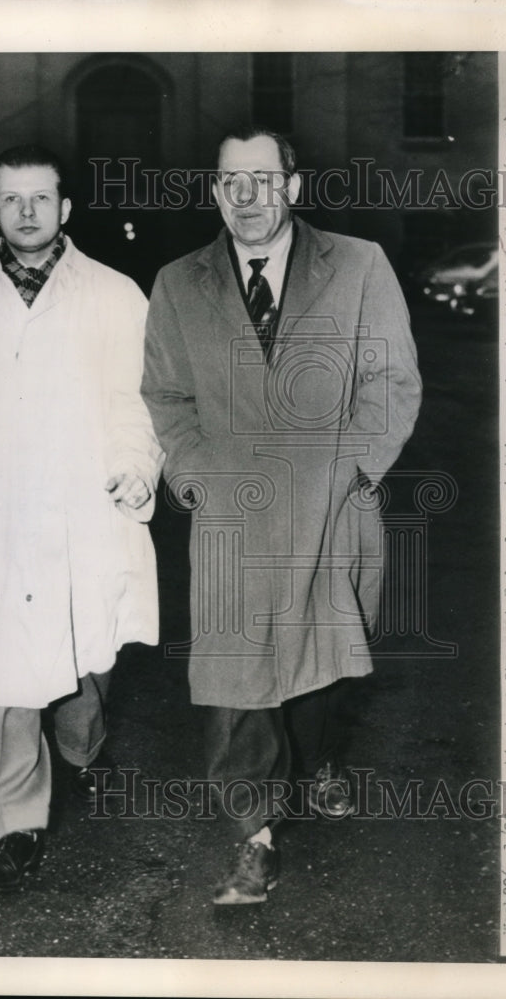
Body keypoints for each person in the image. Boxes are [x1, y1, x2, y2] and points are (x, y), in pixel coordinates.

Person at [141, 127, 422, 904]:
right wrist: (195, 479)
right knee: (237, 681)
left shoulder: (359, 265)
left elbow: (392, 383)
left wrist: (356, 471)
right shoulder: (178, 282)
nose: (247, 197)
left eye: (263, 180)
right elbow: (167, 396)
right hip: (234, 512)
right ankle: (253, 839)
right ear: (214, 192)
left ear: (292, 188)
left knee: (321, 674)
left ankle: (320, 758)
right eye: (231, 182)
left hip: (331, 504)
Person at [0, 144, 163, 891]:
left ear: (65, 208)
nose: (25, 212)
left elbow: (130, 402)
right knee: (6, 670)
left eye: (40, 198)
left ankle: (83, 748)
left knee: (83, 662)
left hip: (84, 507)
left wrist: (137, 471)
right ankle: (12, 824)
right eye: (11, 199)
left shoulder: (114, 294)